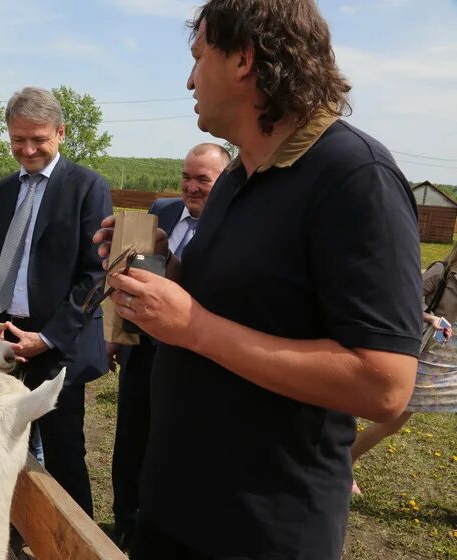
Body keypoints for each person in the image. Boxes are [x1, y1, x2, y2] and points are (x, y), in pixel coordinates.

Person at [93, 2, 421, 558]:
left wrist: (193, 326)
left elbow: (385, 385)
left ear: (244, 59)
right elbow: (237, 303)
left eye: (199, 58)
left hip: (262, 531)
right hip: (175, 507)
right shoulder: (236, 178)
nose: (189, 78)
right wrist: (161, 273)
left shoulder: (356, 176)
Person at [0, 86, 111, 516]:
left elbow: (95, 274)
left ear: (61, 133)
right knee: (0, 445)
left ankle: (75, 543)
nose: (28, 149)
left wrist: (48, 338)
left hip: (58, 348)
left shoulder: (87, 187)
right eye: (18, 139)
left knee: (64, 450)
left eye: (38, 139)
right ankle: (13, 524)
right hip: (5, 344)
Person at [107, 143, 230, 550]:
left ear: (224, 182)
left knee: (174, 444)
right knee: (130, 438)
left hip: (194, 354)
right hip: (142, 347)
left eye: (203, 180)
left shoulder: (232, 224)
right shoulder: (162, 211)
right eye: (186, 177)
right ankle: (125, 523)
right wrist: (114, 335)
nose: (191, 188)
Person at [349, 244, 457, 493]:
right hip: (427, 357)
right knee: (393, 422)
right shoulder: (441, 273)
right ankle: (346, 462)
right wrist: (431, 318)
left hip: (452, 363)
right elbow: (401, 305)